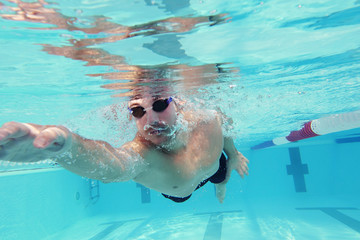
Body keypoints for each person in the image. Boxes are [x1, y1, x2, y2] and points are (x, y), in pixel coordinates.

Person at [0, 91, 249, 203]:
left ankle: (221, 187)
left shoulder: (207, 117)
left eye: (160, 104)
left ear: (179, 103)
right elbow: (116, 164)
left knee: (222, 173)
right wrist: (68, 148)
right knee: (187, 193)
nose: (150, 120)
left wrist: (235, 154)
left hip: (213, 166)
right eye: (138, 111)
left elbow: (224, 126)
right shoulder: (143, 154)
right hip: (178, 191)